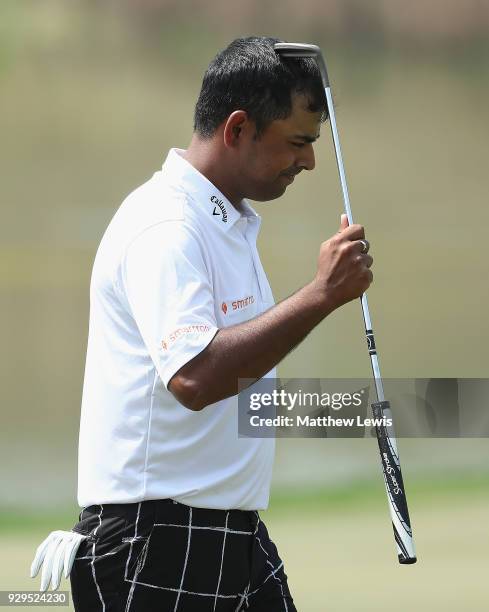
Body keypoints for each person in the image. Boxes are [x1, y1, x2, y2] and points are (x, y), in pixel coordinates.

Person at [30, 36, 372, 611]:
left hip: (229, 532)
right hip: (151, 539)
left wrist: (367, 411)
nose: (310, 162)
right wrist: (320, 295)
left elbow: (243, 392)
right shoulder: (165, 225)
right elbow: (196, 378)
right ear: (237, 129)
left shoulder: (228, 222)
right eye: (298, 142)